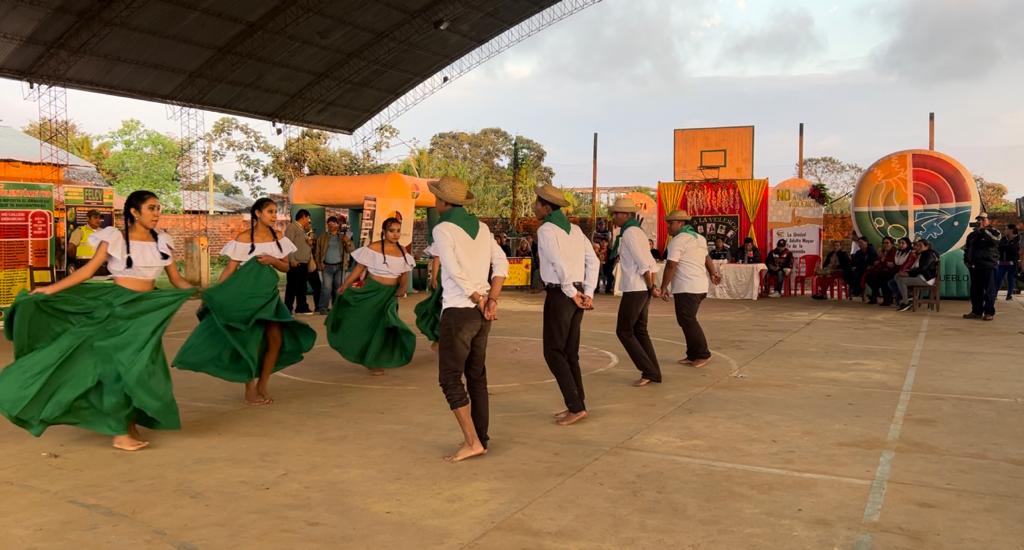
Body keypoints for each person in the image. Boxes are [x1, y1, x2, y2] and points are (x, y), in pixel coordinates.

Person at [0, 190, 193, 451]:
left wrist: (201, 293)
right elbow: (88, 271)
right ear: (135, 213)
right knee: (116, 370)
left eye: (159, 208)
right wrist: (51, 290)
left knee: (143, 368)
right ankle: (119, 431)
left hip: (145, 313)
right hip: (117, 309)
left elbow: (176, 279)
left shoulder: (162, 241)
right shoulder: (116, 237)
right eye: (151, 208)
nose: (157, 213)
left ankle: (128, 424)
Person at [174, 198, 316, 405]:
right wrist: (217, 294)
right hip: (246, 298)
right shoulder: (242, 239)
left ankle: (263, 385)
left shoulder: (278, 238)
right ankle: (250, 389)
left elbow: (286, 268)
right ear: (257, 214)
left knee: (275, 340)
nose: (274, 215)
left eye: (275, 211)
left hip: (269, 297)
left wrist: (272, 260)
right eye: (270, 211)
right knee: (251, 341)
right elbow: (230, 269)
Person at [429, 176, 508, 463]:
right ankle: (481, 439)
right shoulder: (483, 228)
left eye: (437, 198)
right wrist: (491, 299)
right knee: (476, 375)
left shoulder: (443, 228)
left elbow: (452, 267)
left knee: (450, 378)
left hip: (460, 311)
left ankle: (472, 441)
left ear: (444, 202)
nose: (435, 202)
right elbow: (501, 264)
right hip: (481, 312)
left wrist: (478, 298)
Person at [533, 184, 600, 426]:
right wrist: (588, 292)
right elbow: (593, 260)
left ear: (546, 207)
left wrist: (571, 292)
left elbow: (557, 263)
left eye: (537, 203)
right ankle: (577, 402)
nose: (534, 207)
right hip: (576, 293)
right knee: (569, 351)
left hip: (562, 294)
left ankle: (575, 406)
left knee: (553, 351)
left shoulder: (547, 230)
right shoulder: (574, 229)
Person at [326, 217, 417, 375]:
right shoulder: (373, 248)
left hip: (389, 294)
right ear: (384, 232)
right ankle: (365, 355)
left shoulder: (403, 251)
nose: (395, 234)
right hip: (371, 290)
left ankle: (375, 360)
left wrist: (402, 289)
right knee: (367, 323)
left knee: (384, 325)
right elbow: (359, 268)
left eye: (398, 231)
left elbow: (405, 273)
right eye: (391, 231)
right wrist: (345, 285)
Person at [657, 210, 722, 369]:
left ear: (681, 223)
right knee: (686, 320)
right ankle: (692, 354)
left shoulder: (678, 240)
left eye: (671, 223)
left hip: (687, 287)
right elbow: (706, 258)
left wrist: (664, 286)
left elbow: (671, 265)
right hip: (698, 286)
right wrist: (713, 272)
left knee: (688, 320)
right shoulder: (699, 238)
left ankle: (702, 354)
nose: (668, 227)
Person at [608, 197, 662, 386]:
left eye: (616, 214)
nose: (613, 217)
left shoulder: (630, 233)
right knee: (640, 330)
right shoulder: (635, 232)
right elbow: (650, 263)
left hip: (636, 288)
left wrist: (650, 287)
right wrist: (651, 287)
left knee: (624, 330)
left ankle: (648, 370)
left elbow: (644, 264)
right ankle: (653, 371)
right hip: (641, 288)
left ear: (626, 215)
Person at [963, 212, 1001, 320]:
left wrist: (984, 231)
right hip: (975, 266)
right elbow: (967, 249)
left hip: (989, 265)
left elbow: (995, 242)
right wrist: (966, 261)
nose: (980, 221)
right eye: (979, 219)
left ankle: (989, 313)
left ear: (988, 221)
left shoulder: (995, 232)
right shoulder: (972, 235)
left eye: (983, 219)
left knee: (989, 290)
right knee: (975, 290)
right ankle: (976, 311)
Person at [314, 216, 354, 314]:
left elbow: (351, 250)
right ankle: (323, 308)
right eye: (329, 224)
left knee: (338, 288)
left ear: (338, 225)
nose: (331, 226)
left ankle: (336, 308)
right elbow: (317, 252)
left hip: (340, 266)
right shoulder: (322, 237)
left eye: (333, 223)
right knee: (326, 288)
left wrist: (347, 241)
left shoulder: (343, 236)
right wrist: (319, 264)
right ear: (327, 225)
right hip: (326, 266)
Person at [284, 209, 315, 314]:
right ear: (303, 217)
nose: (309, 220)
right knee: (292, 287)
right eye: (308, 218)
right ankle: (287, 308)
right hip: (296, 262)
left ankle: (301, 307)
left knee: (302, 287)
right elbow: (287, 245)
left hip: (303, 263)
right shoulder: (292, 227)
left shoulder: (302, 229)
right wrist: (291, 260)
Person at [896, 240, 939, 311]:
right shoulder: (925, 253)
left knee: (901, 280)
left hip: (926, 279)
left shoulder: (928, 254)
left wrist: (908, 273)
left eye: (920, 245)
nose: (918, 247)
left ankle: (906, 302)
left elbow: (923, 269)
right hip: (922, 276)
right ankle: (909, 297)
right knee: (898, 276)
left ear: (927, 246)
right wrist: (908, 272)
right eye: (917, 245)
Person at [864, 237, 898, 304]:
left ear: (892, 244)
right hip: (882, 271)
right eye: (884, 243)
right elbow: (878, 262)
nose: (885, 245)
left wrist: (883, 261)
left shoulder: (895, 252)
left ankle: (887, 299)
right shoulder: (882, 251)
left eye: (887, 243)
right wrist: (881, 261)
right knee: (869, 276)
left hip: (893, 272)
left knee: (883, 276)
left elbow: (892, 264)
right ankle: (875, 295)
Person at [885, 237, 916, 305]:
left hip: (908, 273)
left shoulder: (911, 253)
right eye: (900, 243)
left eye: (903, 243)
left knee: (892, 281)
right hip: (899, 271)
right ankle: (901, 298)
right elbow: (897, 263)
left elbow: (908, 265)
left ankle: (902, 298)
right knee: (889, 280)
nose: (901, 245)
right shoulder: (898, 252)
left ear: (907, 244)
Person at [996, 224, 1020, 301]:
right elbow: (999, 248)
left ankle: (1009, 295)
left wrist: (1006, 247)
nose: (1005, 230)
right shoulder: (1003, 239)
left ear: (1011, 230)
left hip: (1012, 263)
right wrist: (1008, 247)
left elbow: (1015, 249)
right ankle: (994, 294)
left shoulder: (1018, 239)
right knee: (998, 278)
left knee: (1011, 279)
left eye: (1006, 229)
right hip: (1002, 262)